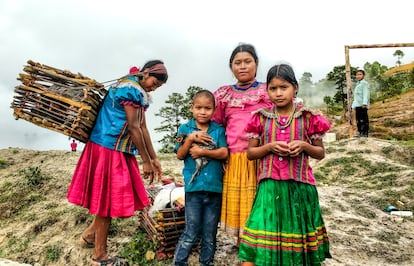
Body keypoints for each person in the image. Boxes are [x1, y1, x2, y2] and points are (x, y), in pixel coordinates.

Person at [67, 60, 168, 266]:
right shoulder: (129, 89)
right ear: (145, 72)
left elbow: (143, 127)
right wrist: (145, 161)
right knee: (107, 201)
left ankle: (88, 236)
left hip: (117, 149)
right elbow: (133, 128)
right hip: (108, 147)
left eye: (157, 87)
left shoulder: (138, 91)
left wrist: (154, 158)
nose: (153, 88)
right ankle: (99, 256)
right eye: (153, 83)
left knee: (108, 197)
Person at [238, 63, 332, 265]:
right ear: (267, 91)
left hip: (300, 187)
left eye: (284, 87)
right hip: (269, 187)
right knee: (263, 231)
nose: (278, 93)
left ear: (295, 88)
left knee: (296, 233)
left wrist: (305, 146)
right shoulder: (260, 118)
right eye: (273, 89)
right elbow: (251, 153)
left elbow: (320, 153)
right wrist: (269, 147)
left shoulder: (308, 117)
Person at [211, 43, 272, 253]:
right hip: (235, 157)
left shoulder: (268, 91)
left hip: (263, 155)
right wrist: (222, 154)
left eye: (248, 61)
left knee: (260, 199)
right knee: (240, 200)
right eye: (237, 63)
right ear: (231, 67)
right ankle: (241, 243)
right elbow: (217, 126)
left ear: (256, 64)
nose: (243, 66)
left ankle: (261, 242)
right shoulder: (224, 95)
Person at [173, 90, 228, 266]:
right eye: (198, 108)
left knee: (210, 233)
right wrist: (190, 139)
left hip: (214, 188)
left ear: (214, 109)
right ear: (191, 108)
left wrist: (203, 152)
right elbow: (180, 154)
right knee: (191, 231)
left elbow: (224, 152)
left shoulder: (218, 130)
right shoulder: (185, 129)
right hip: (194, 189)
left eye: (207, 108)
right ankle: (179, 262)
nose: (202, 112)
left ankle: (206, 263)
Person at [351, 69, 370, 137]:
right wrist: (353, 106)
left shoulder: (364, 83)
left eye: (360, 74)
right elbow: (356, 96)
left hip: (362, 105)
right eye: (357, 75)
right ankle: (360, 133)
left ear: (363, 75)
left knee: (364, 120)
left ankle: (364, 133)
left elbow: (366, 94)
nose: (358, 76)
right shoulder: (358, 84)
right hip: (357, 104)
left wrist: (365, 103)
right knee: (358, 120)